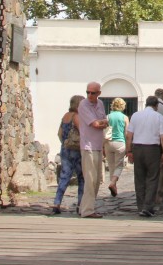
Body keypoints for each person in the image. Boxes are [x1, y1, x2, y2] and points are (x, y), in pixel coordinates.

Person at [125, 95, 163, 217]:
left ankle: (140, 205)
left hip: (137, 148)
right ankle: (148, 206)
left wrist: (129, 150)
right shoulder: (158, 117)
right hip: (152, 149)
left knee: (139, 178)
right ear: (156, 106)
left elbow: (129, 135)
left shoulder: (135, 115)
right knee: (152, 178)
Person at [77, 81, 109, 218]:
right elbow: (96, 123)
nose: (89, 95)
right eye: (88, 92)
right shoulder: (83, 104)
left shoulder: (100, 104)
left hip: (97, 145)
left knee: (96, 181)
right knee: (90, 179)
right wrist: (101, 123)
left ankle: (86, 207)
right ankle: (87, 210)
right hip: (88, 145)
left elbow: (105, 122)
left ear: (99, 93)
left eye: (93, 93)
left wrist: (101, 123)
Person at [53, 95, 84, 214]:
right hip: (76, 150)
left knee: (64, 177)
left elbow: (59, 133)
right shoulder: (76, 117)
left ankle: (57, 202)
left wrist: (64, 143)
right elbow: (82, 132)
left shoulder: (65, 116)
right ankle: (80, 204)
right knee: (81, 178)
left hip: (65, 149)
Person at [105, 97, 129, 196]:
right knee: (119, 165)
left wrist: (103, 146)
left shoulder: (108, 116)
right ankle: (113, 183)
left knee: (111, 166)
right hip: (120, 142)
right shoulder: (125, 117)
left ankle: (113, 186)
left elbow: (104, 131)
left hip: (108, 143)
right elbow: (127, 133)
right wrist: (128, 146)